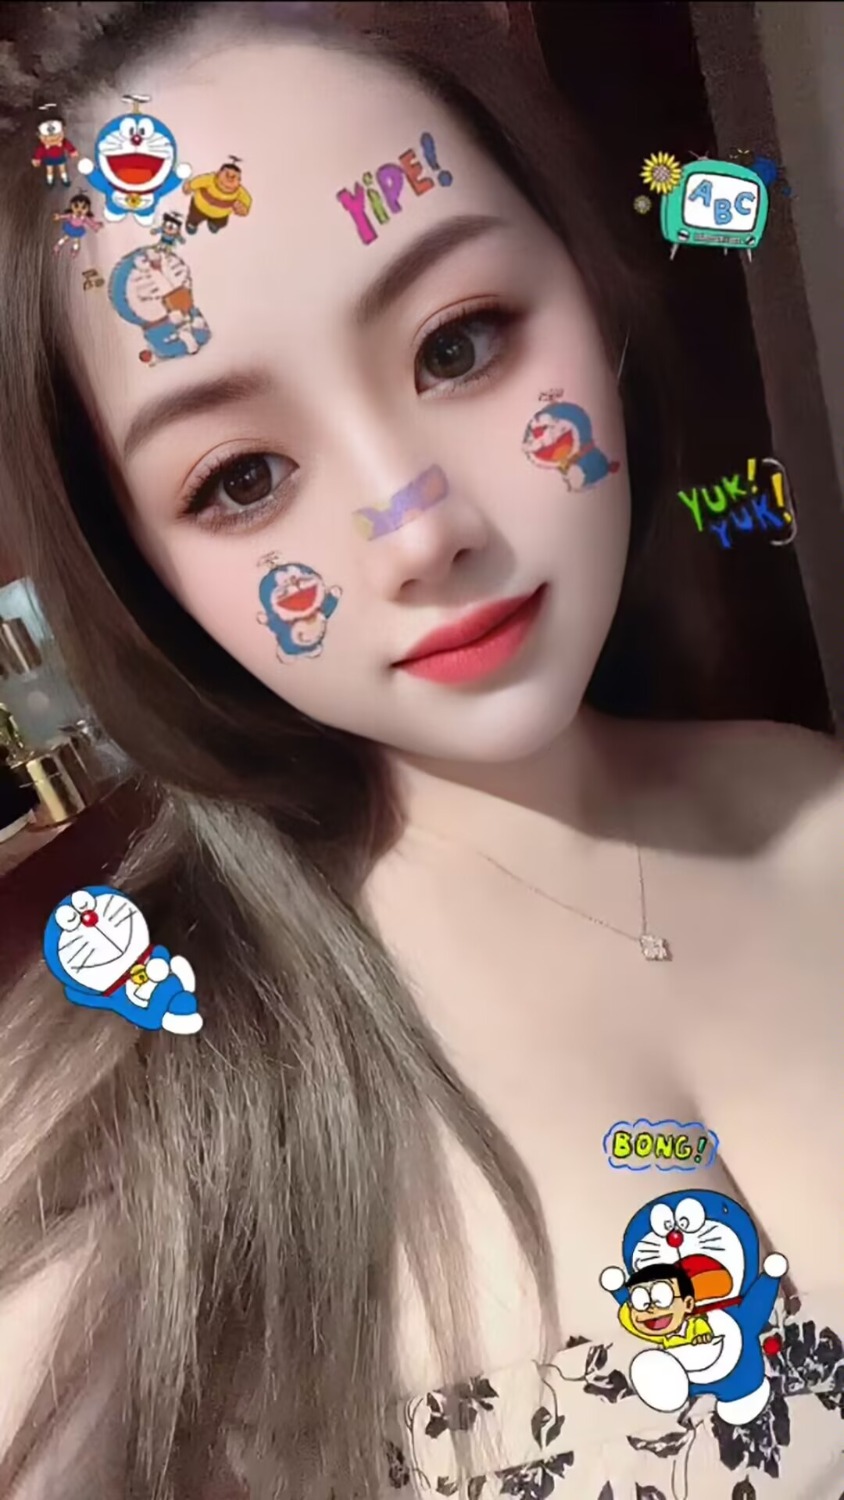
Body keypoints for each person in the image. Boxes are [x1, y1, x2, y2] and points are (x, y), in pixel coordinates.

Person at [0, 4, 841, 1498]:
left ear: (587, 287)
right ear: (145, 574)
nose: (418, 528)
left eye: (460, 343)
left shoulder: (809, 794)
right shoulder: (151, 1113)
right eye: (241, 477)